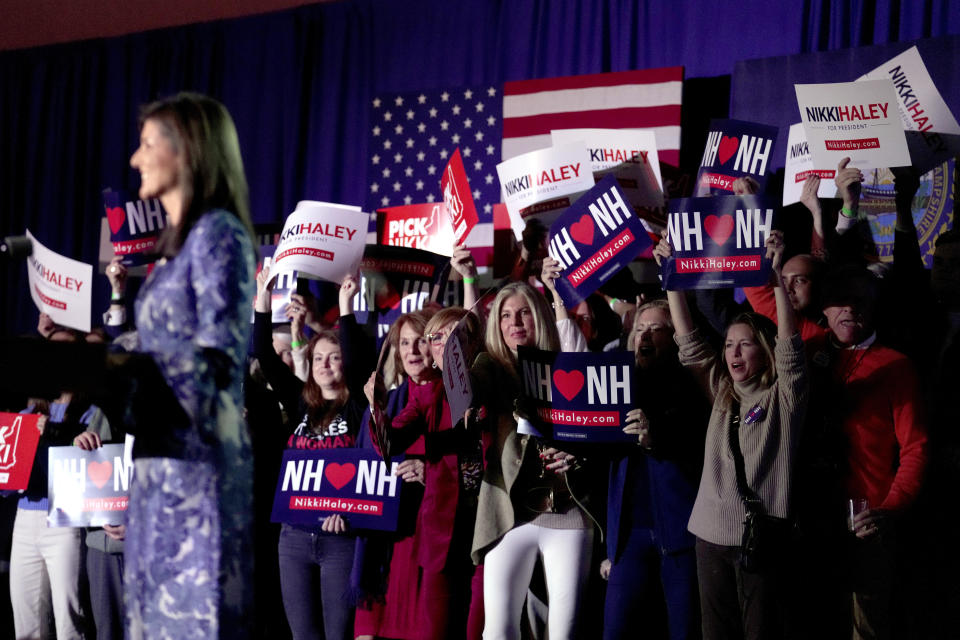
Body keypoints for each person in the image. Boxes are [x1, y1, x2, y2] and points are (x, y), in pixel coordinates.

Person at [123, 92, 257, 639]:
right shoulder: (173, 253)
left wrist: (124, 363)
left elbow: (220, 364)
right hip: (158, 476)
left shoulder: (219, 235)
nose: (136, 158)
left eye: (148, 143)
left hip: (198, 481)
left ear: (188, 152)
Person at [655, 231, 807, 640]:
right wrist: (669, 275)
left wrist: (775, 282)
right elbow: (688, 343)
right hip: (709, 538)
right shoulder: (722, 391)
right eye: (729, 345)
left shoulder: (786, 396)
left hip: (762, 540)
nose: (734, 353)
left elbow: (791, 351)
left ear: (765, 351)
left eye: (745, 345)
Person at [805, 266, 928, 640]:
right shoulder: (807, 348)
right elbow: (763, 301)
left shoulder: (896, 364)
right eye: (839, 302)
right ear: (823, 310)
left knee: (867, 627)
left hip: (868, 523)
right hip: (812, 519)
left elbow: (916, 448)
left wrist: (890, 509)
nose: (849, 309)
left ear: (873, 308)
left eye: (859, 301)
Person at [470, 282, 594, 640]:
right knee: (497, 631)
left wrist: (578, 454)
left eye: (523, 312)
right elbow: (470, 387)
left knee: (564, 631)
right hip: (510, 515)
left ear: (538, 316)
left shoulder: (567, 364)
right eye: (505, 315)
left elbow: (600, 429)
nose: (515, 321)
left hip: (568, 512)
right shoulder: (490, 367)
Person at [254, 267, 371, 640]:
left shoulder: (358, 408)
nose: (324, 364)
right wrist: (263, 296)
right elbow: (266, 357)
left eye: (333, 357)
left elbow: (356, 361)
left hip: (340, 538)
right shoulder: (301, 402)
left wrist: (345, 305)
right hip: (293, 537)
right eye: (318, 357)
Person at [368, 307, 486, 640]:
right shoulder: (425, 394)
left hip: (490, 531)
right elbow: (391, 443)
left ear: (472, 340)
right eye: (435, 337)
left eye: (452, 335)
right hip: (442, 537)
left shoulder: (492, 383)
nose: (443, 344)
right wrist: (376, 409)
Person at [601, 299, 708, 640]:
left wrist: (654, 437)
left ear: (676, 336)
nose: (645, 335)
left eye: (657, 328)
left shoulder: (693, 383)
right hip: (628, 536)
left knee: (682, 630)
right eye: (639, 329)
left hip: (680, 534)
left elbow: (694, 436)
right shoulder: (614, 383)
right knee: (616, 629)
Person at [10, 325, 101, 640]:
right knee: (26, 623)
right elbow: (7, 484)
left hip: (64, 521)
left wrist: (85, 443)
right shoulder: (26, 413)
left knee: (68, 623)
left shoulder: (90, 413)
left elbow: (95, 472)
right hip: (25, 518)